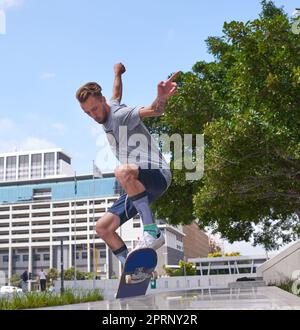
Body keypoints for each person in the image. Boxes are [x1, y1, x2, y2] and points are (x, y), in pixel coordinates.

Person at [76, 63, 179, 266]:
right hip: (138, 184)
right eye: (88, 113)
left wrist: (162, 98)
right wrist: (117, 73)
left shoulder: (120, 115)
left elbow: (153, 110)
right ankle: (132, 267)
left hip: (157, 174)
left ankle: (152, 232)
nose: (93, 116)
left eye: (95, 109)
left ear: (102, 101)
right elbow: (116, 92)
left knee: (122, 172)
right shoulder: (110, 105)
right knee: (103, 228)